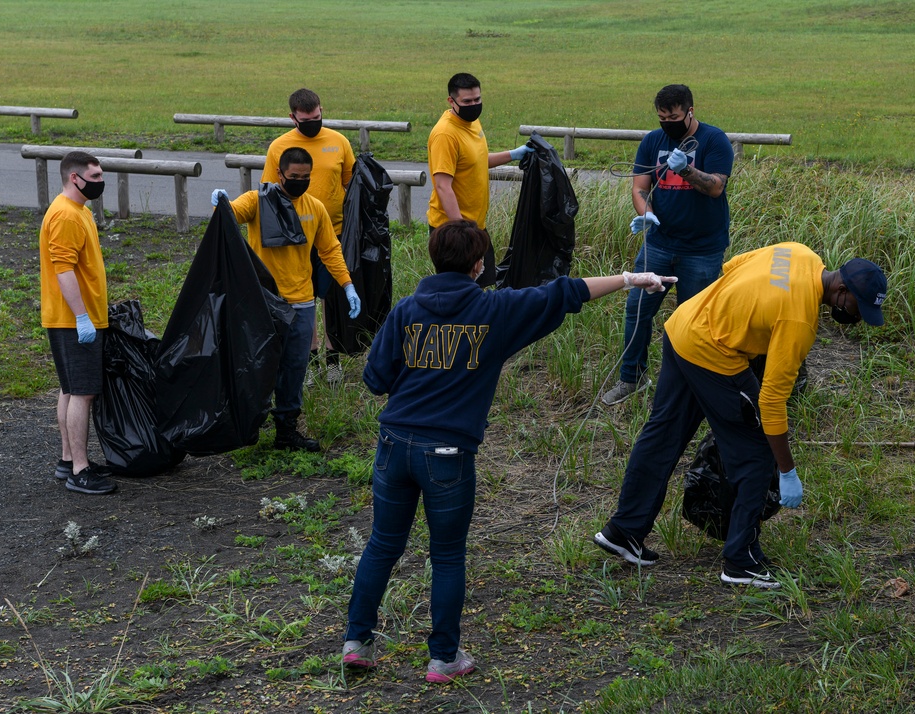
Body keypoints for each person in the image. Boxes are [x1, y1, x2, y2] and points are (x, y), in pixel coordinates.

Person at [342, 219, 676, 681]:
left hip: (393, 444)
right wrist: (628, 279)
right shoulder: (495, 310)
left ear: (434, 258)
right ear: (479, 265)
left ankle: (356, 642)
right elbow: (563, 293)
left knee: (382, 544)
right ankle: (443, 658)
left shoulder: (406, 310)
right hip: (448, 456)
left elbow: (376, 379)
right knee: (446, 555)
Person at [595, 242, 888, 588]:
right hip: (712, 352)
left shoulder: (800, 253)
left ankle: (624, 530)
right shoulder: (799, 318)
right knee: (757, 450)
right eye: (857, 309)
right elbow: (773, 401)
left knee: (663, 434)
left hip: (685, 326)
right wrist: (787, 470)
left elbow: (734, 266)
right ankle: (740, 561)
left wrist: (748, 318)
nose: (856, 319)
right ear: (841, 290)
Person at [212, 147, 361, 452]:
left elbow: (330, 250)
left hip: (302, 303)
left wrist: (348, 285)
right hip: (264, 302)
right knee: (258, 365)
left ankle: (286, 430)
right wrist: (220, 205)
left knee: (294, 368)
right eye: (294, 177)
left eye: (306, 177)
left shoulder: (315, 208)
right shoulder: (257, 202)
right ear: (279, 174)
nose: (300, 182)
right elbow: (229, 217)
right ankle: (245, 424)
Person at [602, 84, 735, 405]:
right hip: (658, 244)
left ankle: (689, 385)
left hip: (702, 250)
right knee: (637, 311)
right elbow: (639, 188)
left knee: (692, 320)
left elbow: (716, 187)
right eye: (662, 117)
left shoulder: (714, 141)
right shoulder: (652, 141)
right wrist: (646, 214)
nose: (667, 123)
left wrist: (686, 169)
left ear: (690, 111)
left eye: (673, 117)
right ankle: (632, 379)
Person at [262, 88, 356, 384]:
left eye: (317, 117)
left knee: (331, 297)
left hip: (333, 231)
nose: (314, 122)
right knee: (305, 298)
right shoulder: (279, 147)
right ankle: (309, 357)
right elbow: (269, 193)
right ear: (293, 118)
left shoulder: (339, 142)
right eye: (307, 119)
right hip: (295, 239)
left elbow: (352, 185)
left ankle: (332, 359)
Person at [40, 150, 117, 495]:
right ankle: (80, 471)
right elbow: (63, 269)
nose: (101, 182)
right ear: (75, 177)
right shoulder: (67, 216)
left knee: (71, 389)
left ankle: (69, 460)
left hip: (72, 319)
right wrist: (83, 316)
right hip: (74, 321)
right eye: (96, 177)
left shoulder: (77, 210)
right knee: (83, 393)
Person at [426, 72, 534, 288]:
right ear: (451, 101)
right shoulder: (445, 135)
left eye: (477, 99)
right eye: (467, 101)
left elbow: (477, 160)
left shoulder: (472, 122)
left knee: (481, 287)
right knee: (458, 293)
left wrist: (514, 154)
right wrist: (463, 232)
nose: (473, 105)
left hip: (475, 227)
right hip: (453, 230)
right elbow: (442, 186)